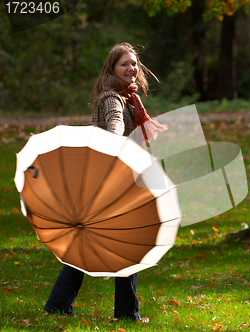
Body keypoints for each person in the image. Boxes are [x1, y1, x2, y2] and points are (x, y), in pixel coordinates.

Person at [43, 42, 166, 322]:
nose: (131, 68)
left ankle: (59, 304)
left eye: (134, 63)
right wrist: (116, 143)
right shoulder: (113, 99)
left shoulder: (128, 97)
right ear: (112, 68)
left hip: (112, 181)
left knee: (91, 244)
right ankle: (125, 314)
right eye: (124, 64)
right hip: (112, 182)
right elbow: (115, 125)